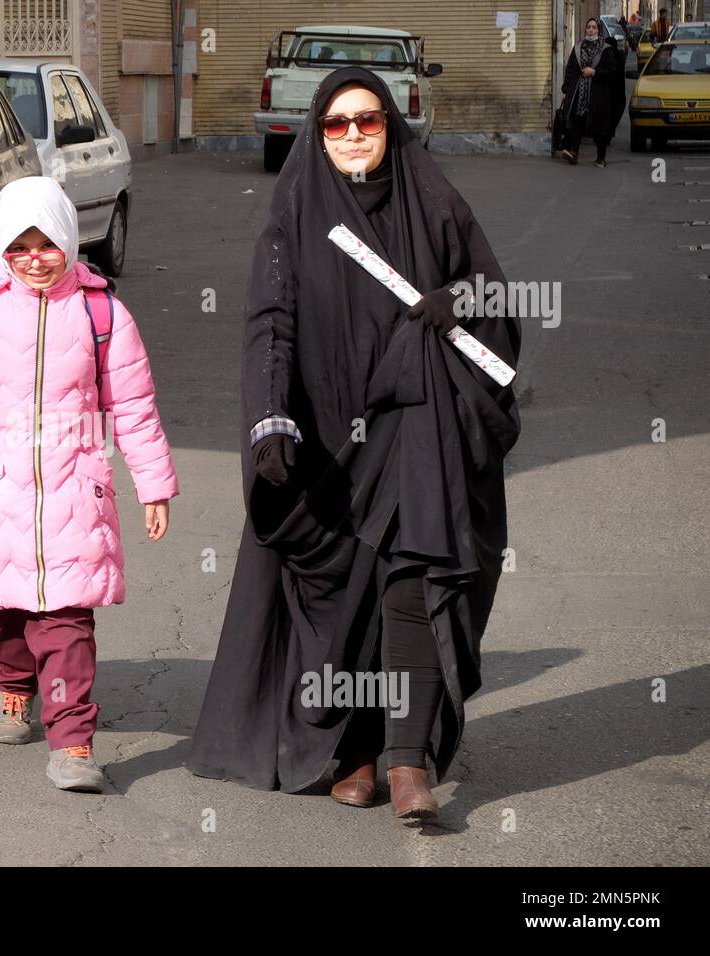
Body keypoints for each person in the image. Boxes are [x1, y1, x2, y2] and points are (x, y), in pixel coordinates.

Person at [186, 68, 521, 825]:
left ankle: (407, 761)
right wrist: (269, 416)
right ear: (317, 131)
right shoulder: (293, 212)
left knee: (415, 574)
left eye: (368, 120)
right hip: (332, 439)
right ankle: (357, 749)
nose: (353, 136)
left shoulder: (434, 202)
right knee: (344, 597)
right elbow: (269, 323)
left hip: (419, 419)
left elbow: (497, 294)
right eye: (336, 124)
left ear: (392, 124)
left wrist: (455, 301)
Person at [0, 176, 178, 793]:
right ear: (0, 248)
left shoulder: (103, 313)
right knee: (7, 611)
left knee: (66, 621)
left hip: (76, 491)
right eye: (19, 248)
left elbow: (133, 406)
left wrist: (152, 483)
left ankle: (73, 742)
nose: (35, 260)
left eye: (48, 244)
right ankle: (12, 686)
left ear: (70, 242)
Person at [561, 18, 619, 167]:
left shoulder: (605, 49)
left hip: (598, 94)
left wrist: (593, 71)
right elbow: (571, 69)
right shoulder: (578, 47)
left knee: (599, 126)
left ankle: (601, 158)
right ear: (585, 29)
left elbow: (612, 71)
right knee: (578, 121)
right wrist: (566, 89)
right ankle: (573, 153)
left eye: (594, 27)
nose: (591, 30)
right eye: (589, 27)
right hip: (579, 93)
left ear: (598, 31)